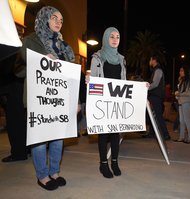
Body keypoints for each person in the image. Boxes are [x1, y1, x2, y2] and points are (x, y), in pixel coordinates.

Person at [14, 6, 75, 190]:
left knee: (58, 137)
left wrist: (75, 100)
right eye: (54, 18)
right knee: (39, 139)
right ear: (44, 18)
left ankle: (54, 171)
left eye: (61, 20)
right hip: (37, 99)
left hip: (59, 99)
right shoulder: (30, 40)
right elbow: (18, 71)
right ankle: (42, 175)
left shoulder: (64, 47)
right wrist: (41, 61)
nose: (59, 22)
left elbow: (70, 76)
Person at [87, 27, 125, 178]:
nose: (115, 39)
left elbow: (124, 81)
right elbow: (93, 80)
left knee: (115, 133)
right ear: (105, 38)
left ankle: (114, 162)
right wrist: (88, 80)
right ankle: (103, 164)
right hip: (102, 102)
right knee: (103, 134)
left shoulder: (122, 59)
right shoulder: (97, 57)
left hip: (116, 101)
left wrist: (142, 87)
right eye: (112, 37)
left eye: (117, 36)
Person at [143, 55, 171, 140]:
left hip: (156, 97)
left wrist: (146, 88)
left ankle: (166, 135)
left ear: (154, 60)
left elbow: (155, 84)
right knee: (153, 116)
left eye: (150, 60)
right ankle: (152, 133)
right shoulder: (155, 70)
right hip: (154, 96)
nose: (149, 62)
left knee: (158, 116)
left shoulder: (158, 70)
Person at [174, 65, 190, 143]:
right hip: (181, 102)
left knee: (186, 120)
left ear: (185, 72)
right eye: (180, 70)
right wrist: (177, 96)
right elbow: (181, 92)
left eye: (182, 70)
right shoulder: (182, 81)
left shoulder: (188, 81)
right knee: (181, 121)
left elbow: (188, 93)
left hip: (186, 102)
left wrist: (179, 94)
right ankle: (181, 137)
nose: (180, 72)